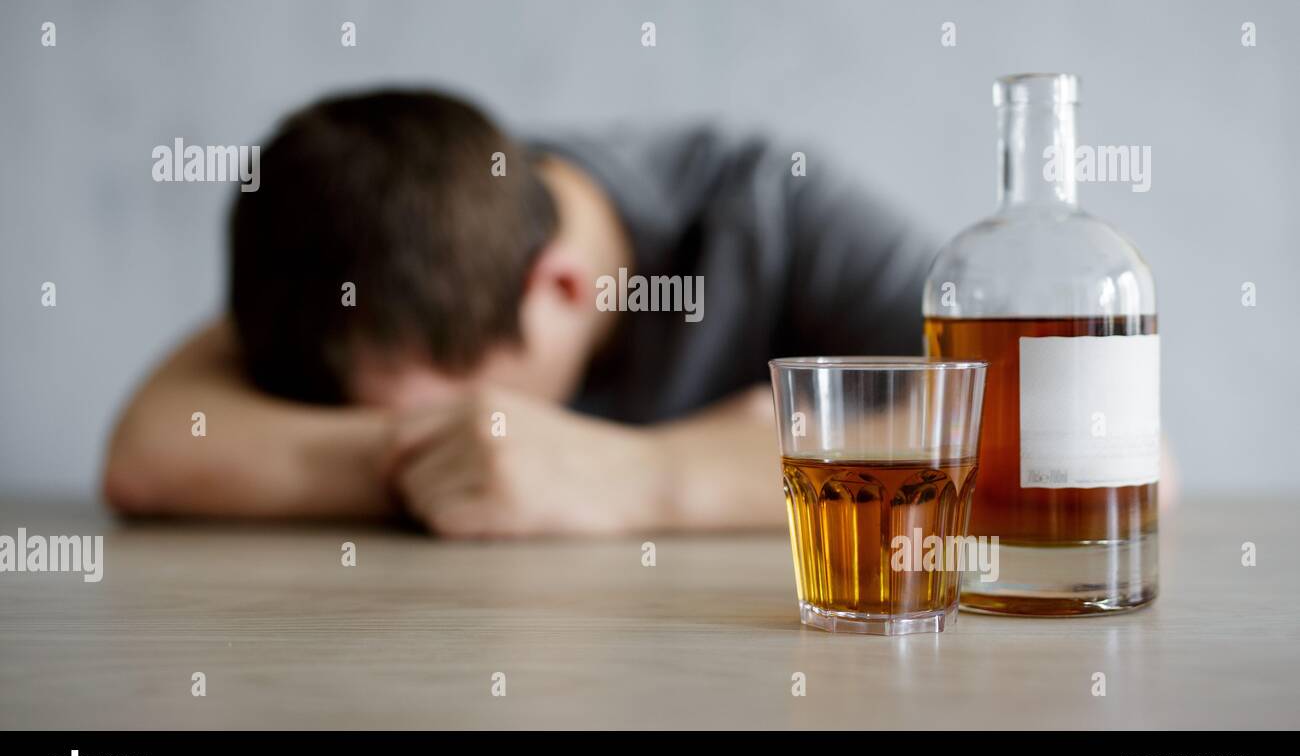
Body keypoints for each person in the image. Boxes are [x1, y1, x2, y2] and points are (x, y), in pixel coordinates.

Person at [102, 88, 935, 536]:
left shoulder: (777, 209)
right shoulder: (377, 230)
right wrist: (441, 460)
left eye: (457, 413)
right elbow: (149, 454)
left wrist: (639, 479)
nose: (457, 437)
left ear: (563, 289)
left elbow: (1037, 414)